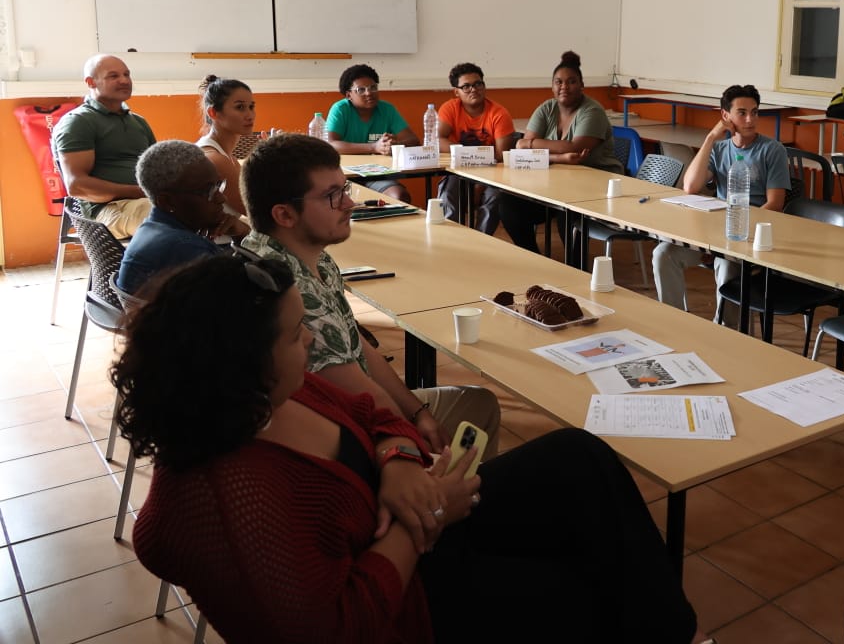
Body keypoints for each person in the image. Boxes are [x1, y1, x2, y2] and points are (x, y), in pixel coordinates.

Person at [116, 255, 700, 643]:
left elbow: (371, 414)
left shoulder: (270, 397)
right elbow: (344, 627)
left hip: (417, 522)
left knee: (577, 458)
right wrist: (424, 517)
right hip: (405, 599)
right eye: (296, 334)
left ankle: (672, 631)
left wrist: (398, 466)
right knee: (581, 594)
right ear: (241, 363)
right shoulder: (227, 494)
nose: (313, 338)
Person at [240, 133, 500, 459]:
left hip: (352, 409)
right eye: (332, 196)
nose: (349, 203)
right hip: (343, 429)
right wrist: (407, 436)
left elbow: (354, 342)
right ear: (285, 215)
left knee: (478, 402)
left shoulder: (310, 255)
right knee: (479, 408)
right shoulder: (289, 288)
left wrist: (417, 411)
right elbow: (357, 391)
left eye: (344, 189)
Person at [653, 84, 789, 311]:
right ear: (725, 116)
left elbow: (775, 204)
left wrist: (729, 237)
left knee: (726, 267)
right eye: (742, 113)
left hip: (748, 236)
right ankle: (673, 319)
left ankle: (725, 330)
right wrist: (711, 138)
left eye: (754, 112)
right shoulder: (720, 149)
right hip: (716, 232)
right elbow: (690, 186)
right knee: (663, 254)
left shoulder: (772, 150)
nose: (749, 120)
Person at [499, 50, 623, 255]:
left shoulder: (592, 111)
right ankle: (533, 258)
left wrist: (529, 144)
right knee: (509, 205)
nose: (564, 87)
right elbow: (523, 151)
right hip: (556, 184)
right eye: (558, 82)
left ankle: (577, 270)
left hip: (596, 187)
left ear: (582, 85)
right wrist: (560, 157)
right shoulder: (547, 108)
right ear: (552, 86)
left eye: (571, 81)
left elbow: (575, 148)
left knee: (568, 210)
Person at [52, 54, 156, 238]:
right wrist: (138, 192)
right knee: (168, 218)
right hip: (105, 211)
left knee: (204, 211)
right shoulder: (78, 122)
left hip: (146, 202)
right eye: (113, 76)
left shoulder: (139, 122)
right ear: (91, 82)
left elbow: (157, 169)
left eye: (127, 74)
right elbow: (77, 186)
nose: (124, 80)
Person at [115, 141, 234, 295]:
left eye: (218, 185)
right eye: (208, 191)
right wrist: (245, 235)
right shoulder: (184, 248)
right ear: (167, 201)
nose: (221, 198)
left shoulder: (151, 227)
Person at [434, 63, 516, 233]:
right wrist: (468, 154)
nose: (473, 89)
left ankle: (481, 241)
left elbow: (501, 155)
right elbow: (437, 140)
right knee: (448, 193)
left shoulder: (499, 113)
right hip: (459, 170)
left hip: (492, 172)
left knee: (495, 197)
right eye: (466, 86)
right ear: (456, 92)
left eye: (478, 84)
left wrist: (480, 181)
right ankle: (449, 239)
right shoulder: (450, 108)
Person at [325, 63, 418, 202]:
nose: (369, 93)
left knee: (399, 196)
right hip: (345, 176)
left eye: (373, 87)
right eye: (360, 90)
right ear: (349, 95)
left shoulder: (387, 109)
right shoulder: (340, 109)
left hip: (377, 175)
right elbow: (331, 144)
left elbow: (413, 140)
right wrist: (374, 147)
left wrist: (395, 145)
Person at [196, 74, 256, 220]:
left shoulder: (228, 157)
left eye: (251, 107)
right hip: (214, 242)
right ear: (213, 113)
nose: (250, 115)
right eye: (240, 107)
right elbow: (257, 213)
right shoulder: (214, 159)